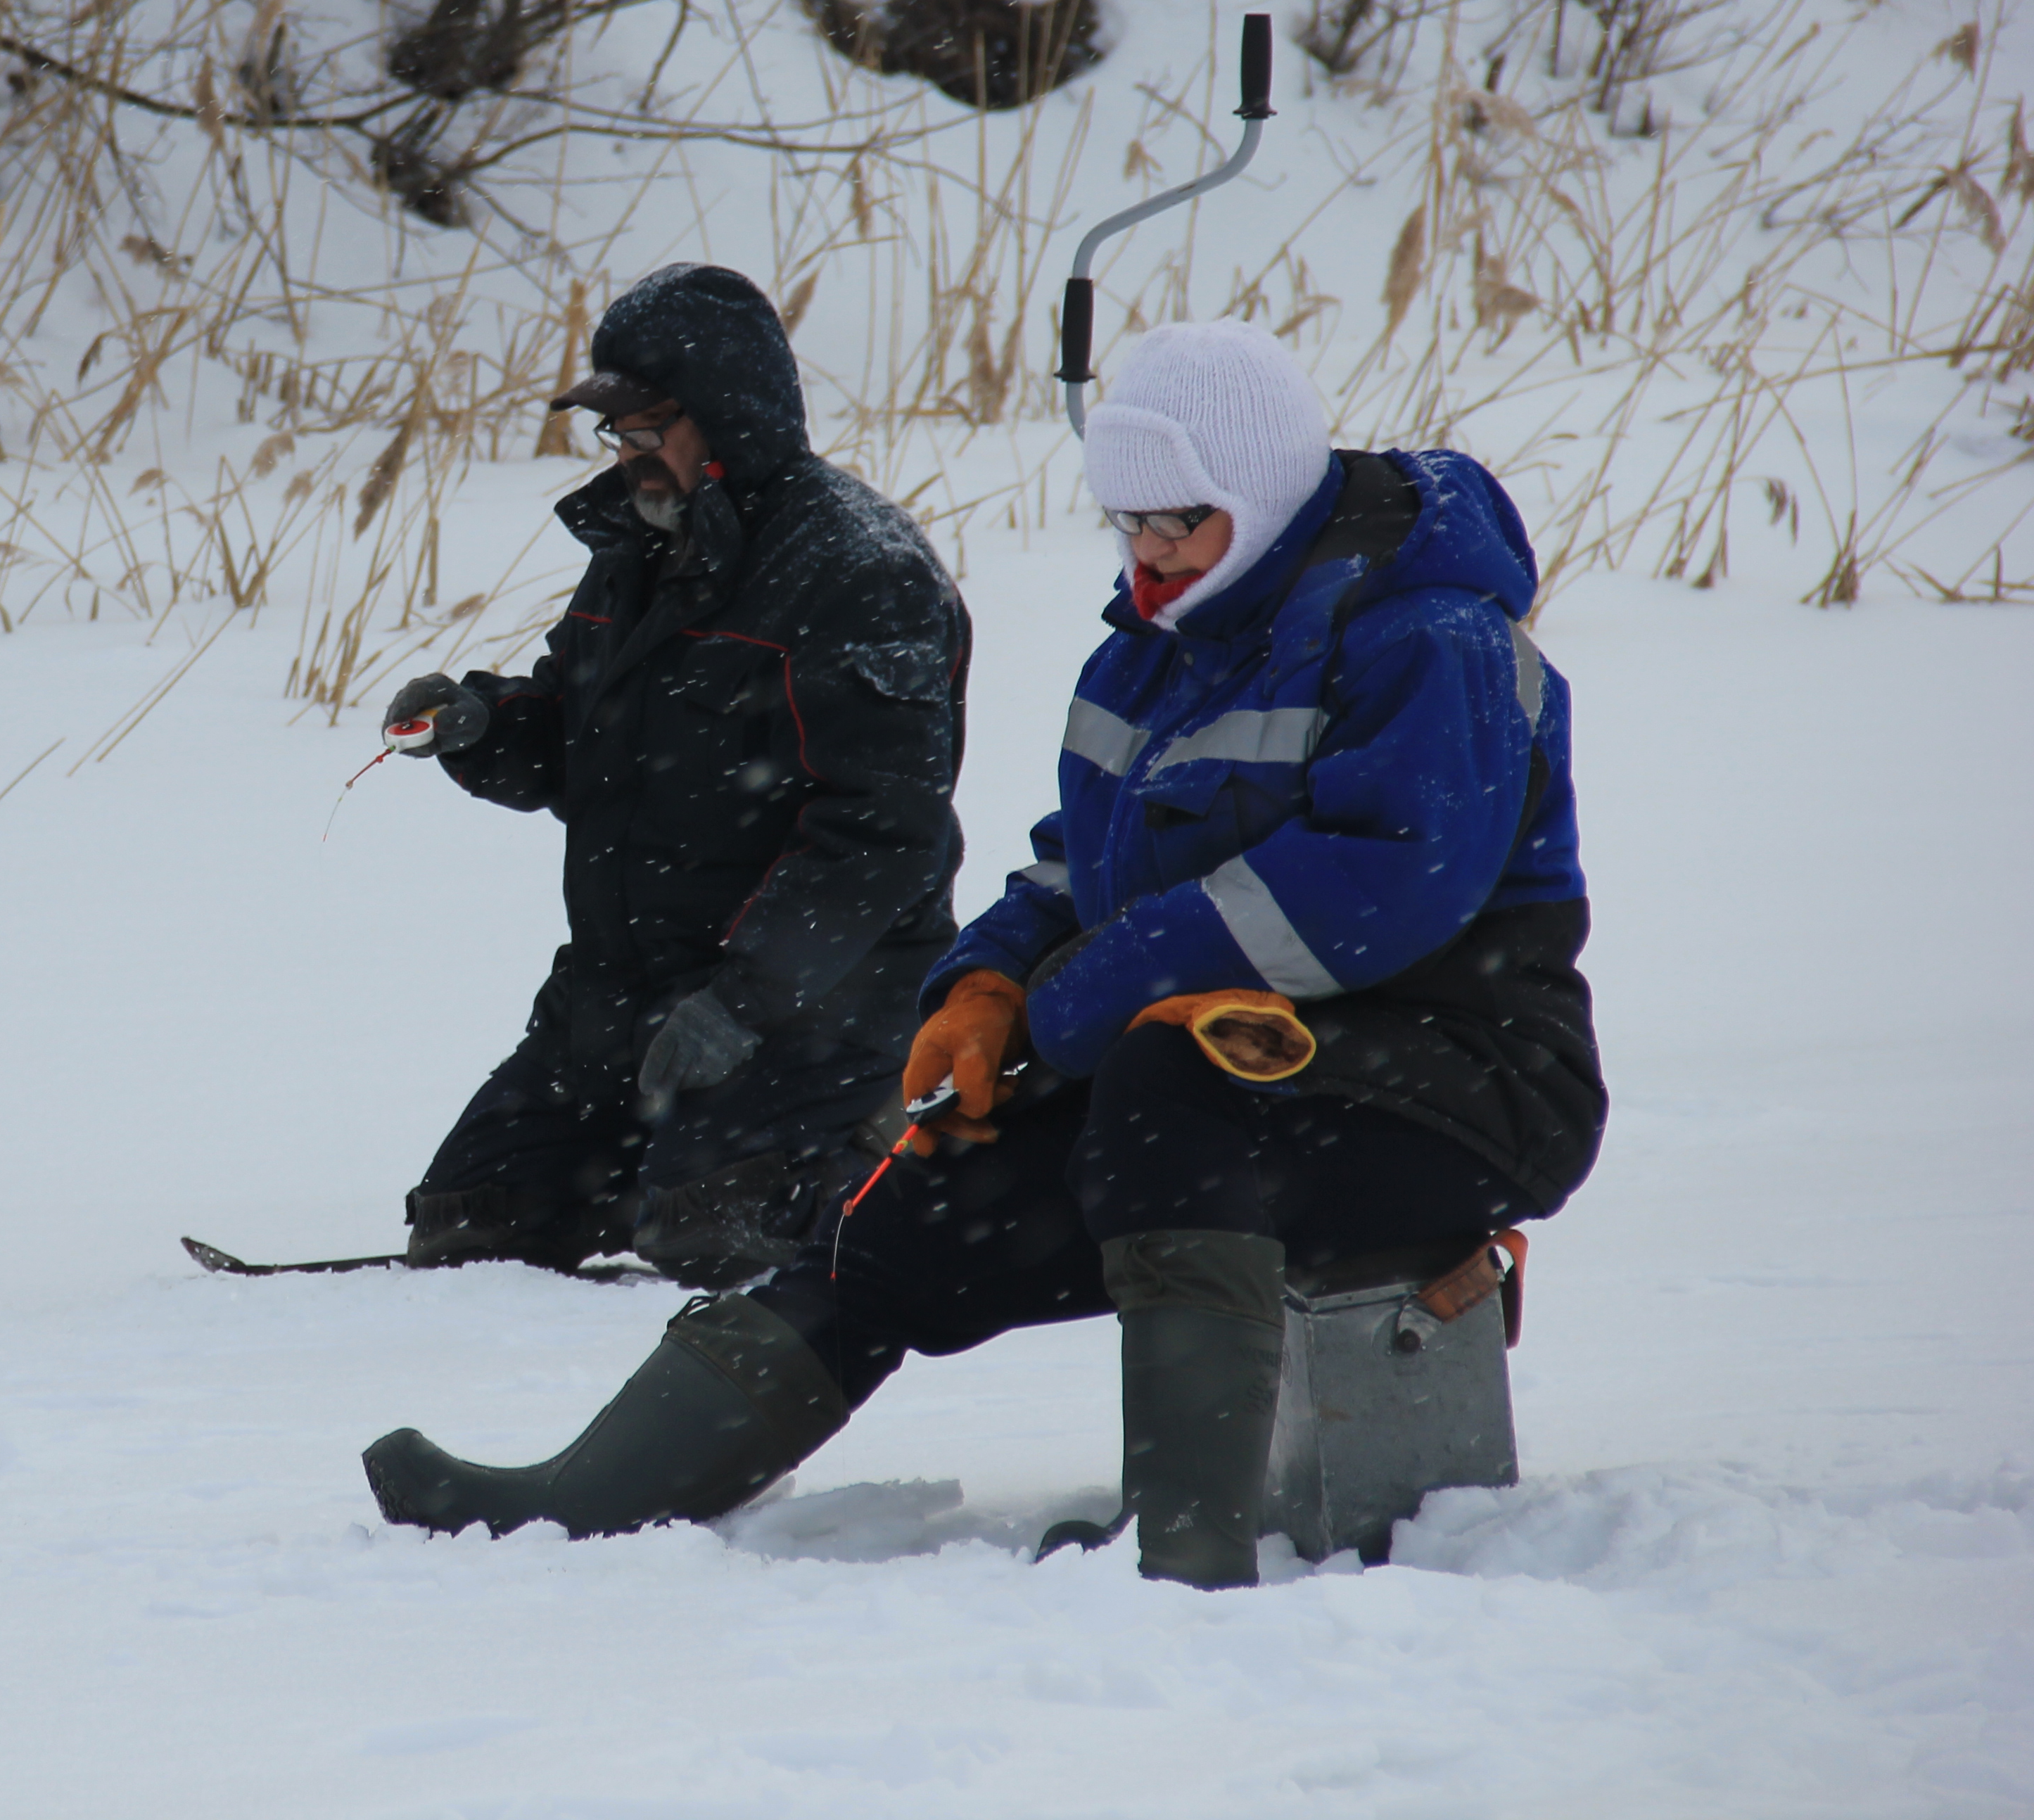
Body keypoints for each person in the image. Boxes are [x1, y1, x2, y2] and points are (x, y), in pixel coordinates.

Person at [363, 320, 1604, 1587]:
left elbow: (1379, 888)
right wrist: (985, 982)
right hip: (1220, 1082)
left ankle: (1187, 1543)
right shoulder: (1146, 652)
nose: (1152, 552)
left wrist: (1087, 993)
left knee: (1169, 1084)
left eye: (1181, 517)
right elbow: (1076, 863)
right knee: (917, 1190)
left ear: (1263, 493)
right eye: (1126, 521)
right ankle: (588, 1498)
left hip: (1467, 1083)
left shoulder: (1426, 636)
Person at [372, 262, 971, 1286]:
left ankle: (870, 1138)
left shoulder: (859, 573)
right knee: (469, 1225)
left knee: (715, 1231)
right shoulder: (642, 546)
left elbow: (882, 835)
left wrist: (746, 1002)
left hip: (811, 1009)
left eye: (650, 428)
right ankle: (652, 1169)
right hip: (617, 1003)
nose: (630, 454)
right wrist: (481, 727)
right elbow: (585, 739)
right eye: (620, 431)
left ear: (727, 421)